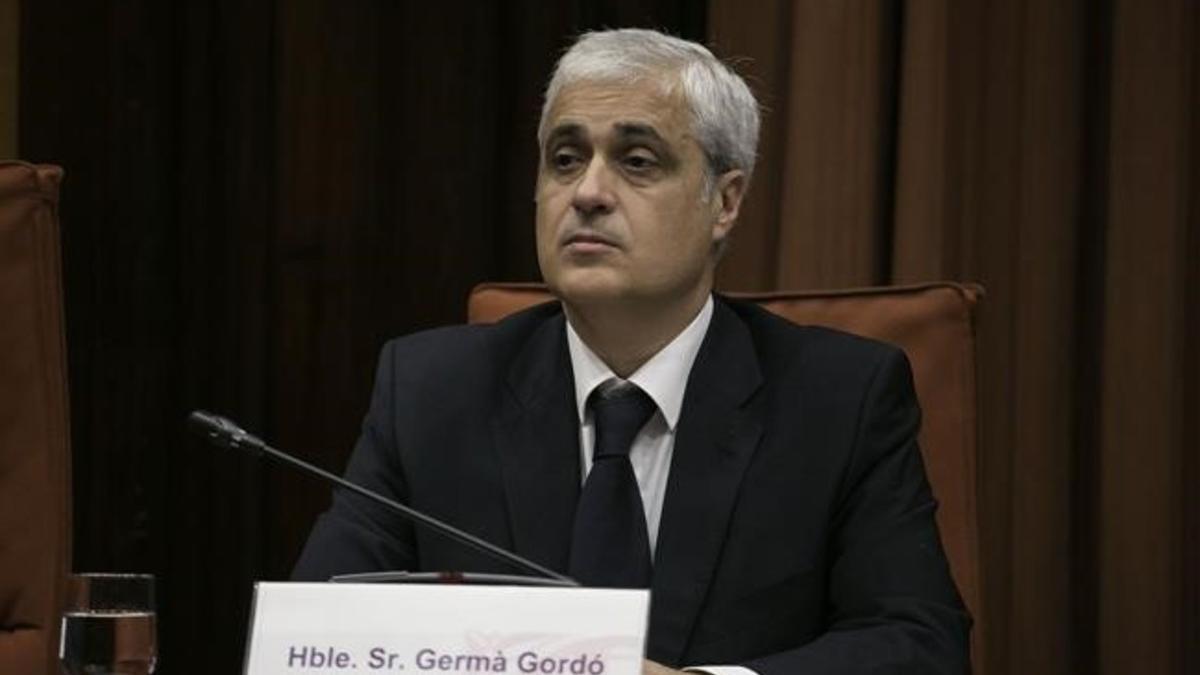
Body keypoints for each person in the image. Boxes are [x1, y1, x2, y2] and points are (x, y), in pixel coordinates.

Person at [293, 28, 970, 674]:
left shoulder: (839, 400)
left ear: (725, 202)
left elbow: (917, 643)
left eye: (636, 160)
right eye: (565, 158)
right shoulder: (430, 391)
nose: (587, 192)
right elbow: (316, 634)